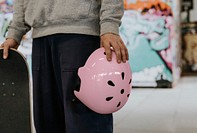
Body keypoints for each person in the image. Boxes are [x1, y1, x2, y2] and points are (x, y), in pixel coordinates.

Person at [0, 0, 129, 133]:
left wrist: (110, 26)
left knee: (85, 122)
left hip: (81, 35)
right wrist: (15, 31)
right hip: (40, 38)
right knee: (47, 121)